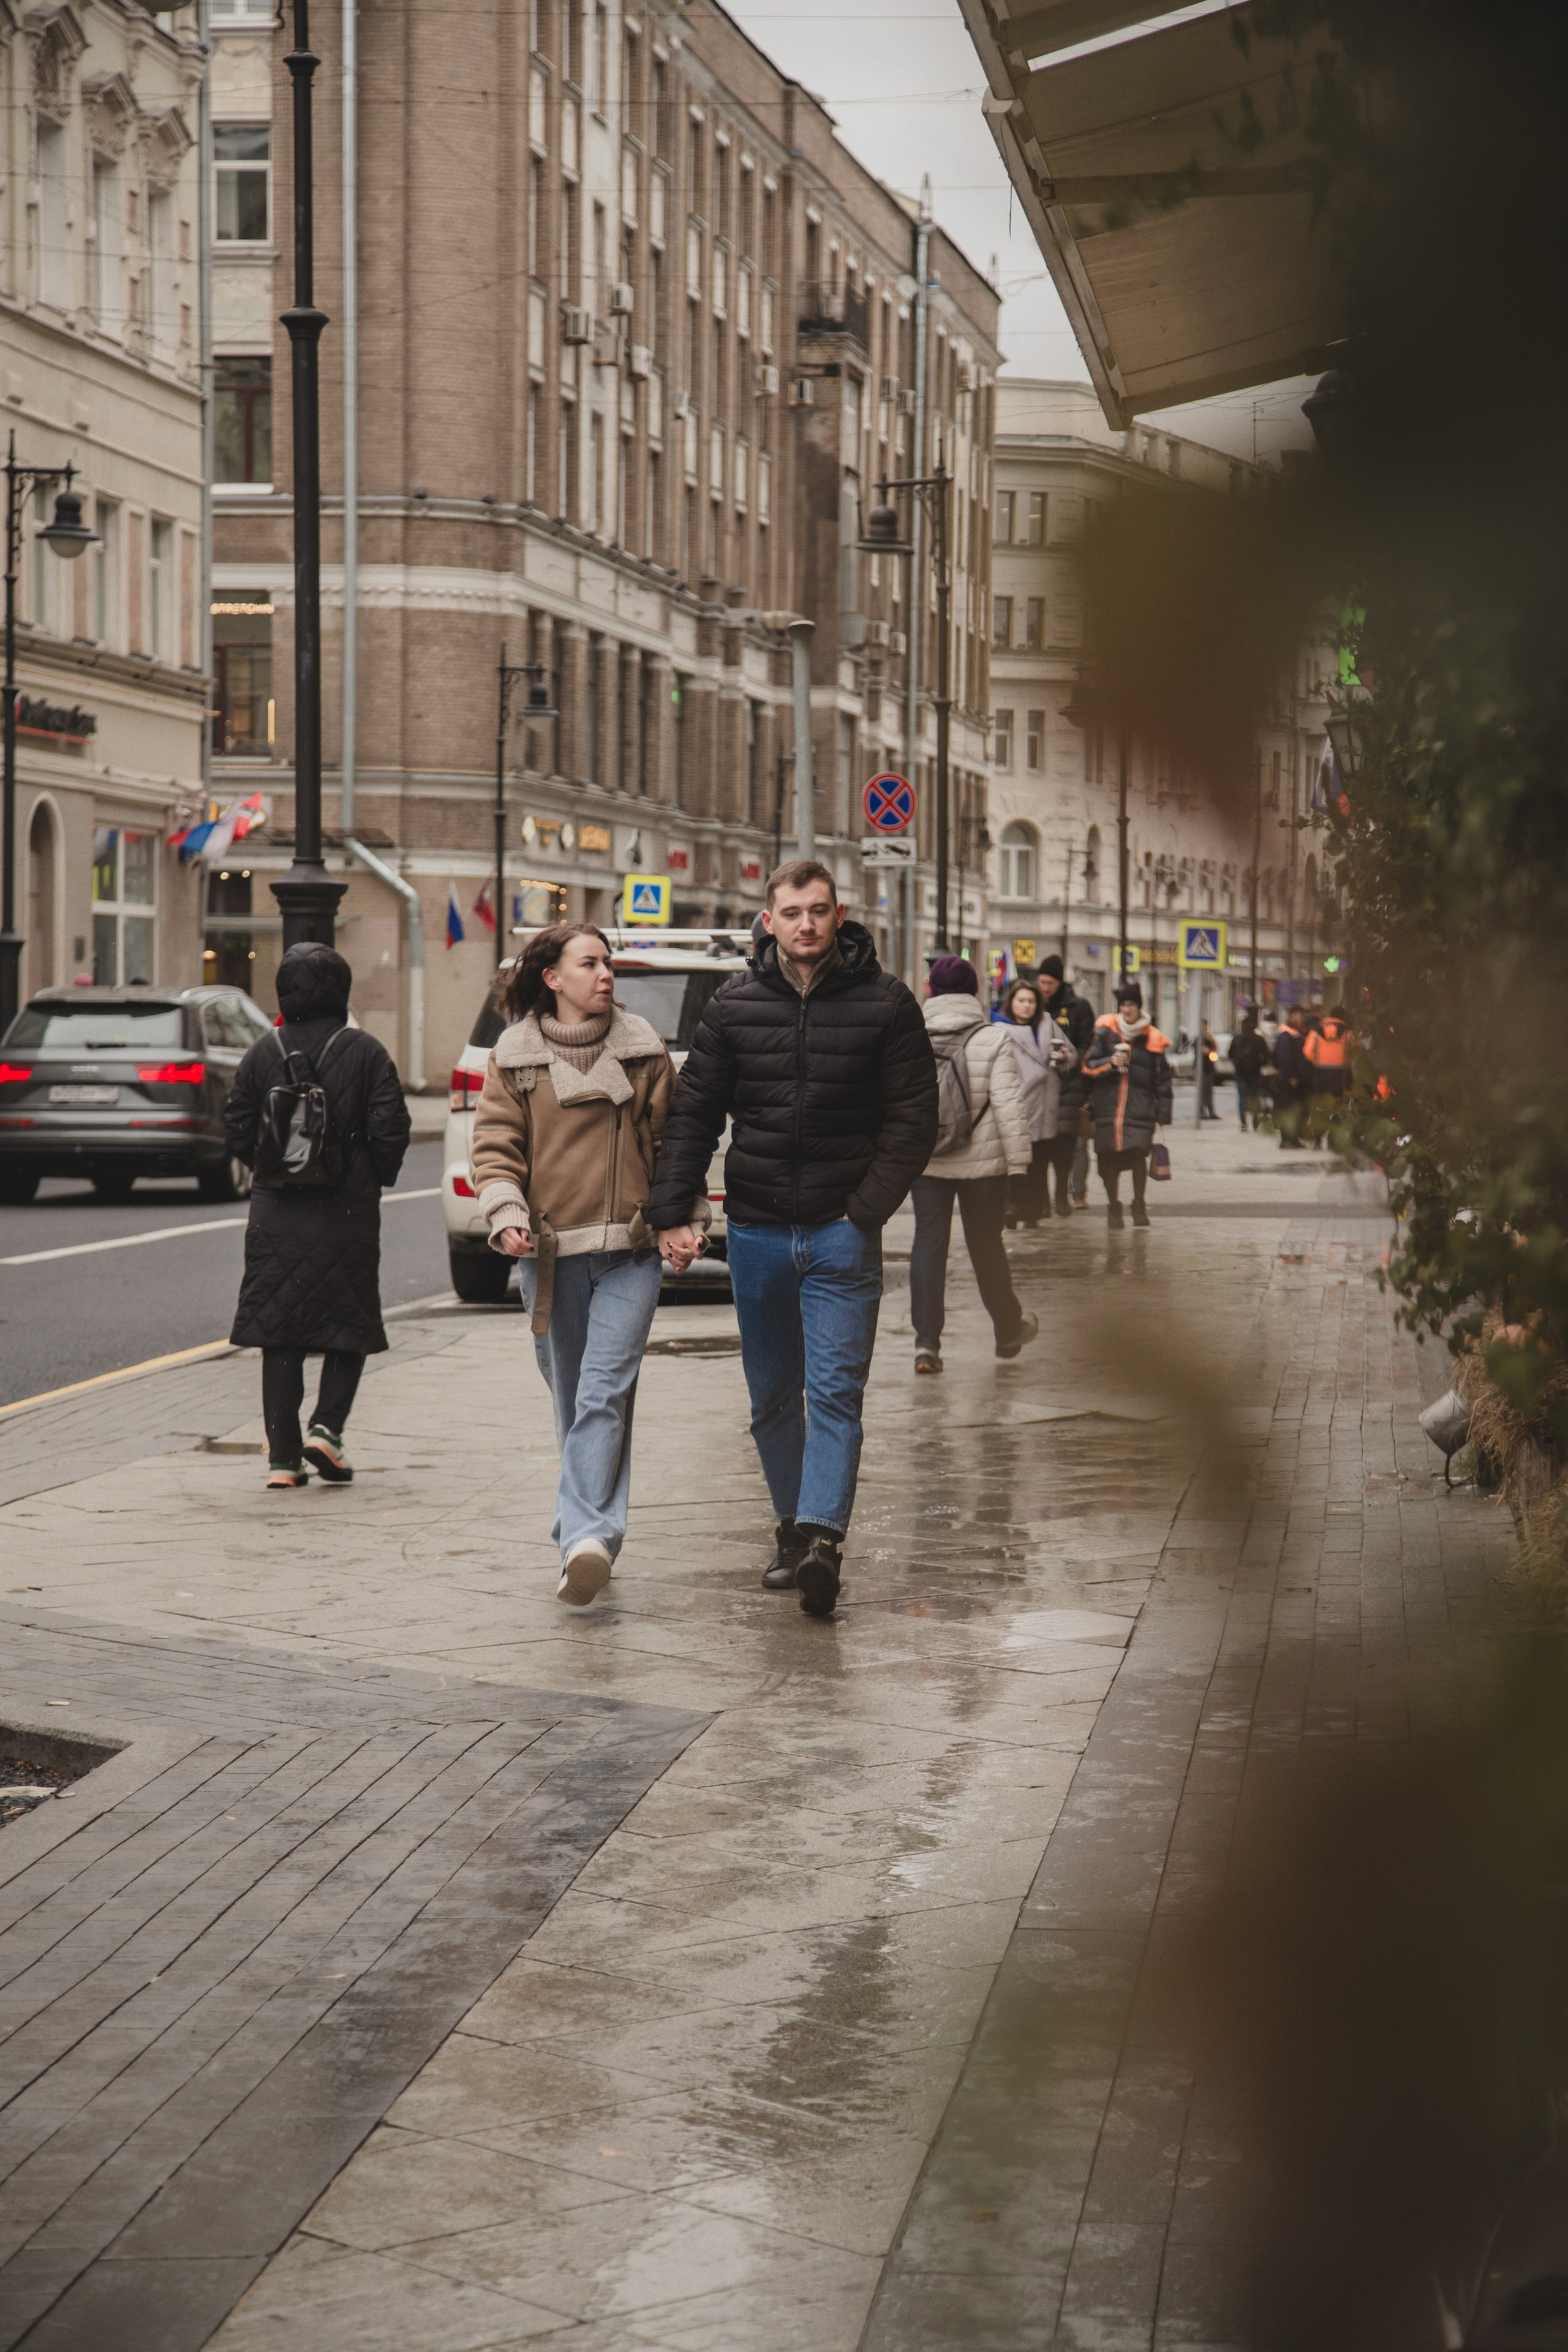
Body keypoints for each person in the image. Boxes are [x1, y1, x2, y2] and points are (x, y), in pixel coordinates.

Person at [647, 859, 937, 1619]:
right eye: (791, 912)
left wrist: (863, 1212)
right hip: (757, 1232)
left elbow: (914, 1121)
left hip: (843, 1235)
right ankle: (790, 1532)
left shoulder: (886, 1004)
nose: (805, 924)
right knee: (773, 1396)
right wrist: (673, 1210)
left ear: (838, 916)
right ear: (768, 920)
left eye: (817, 910)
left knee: (835, 1393)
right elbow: (693, 1117)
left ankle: (822, 1543)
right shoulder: (734, 1007)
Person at [470, 922, 703, 1607]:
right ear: (553, 978)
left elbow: (675, 1147)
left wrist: (684, 1222)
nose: (606, 975)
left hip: (629, 1254)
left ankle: (588, 1539)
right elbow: (494, 1149)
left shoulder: (642, 1050)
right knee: (575, 1401)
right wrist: (506, 1214)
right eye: (590, 964)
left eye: (608, 965)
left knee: (604, 1393)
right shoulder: (513, 1057)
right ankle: (582, 1528)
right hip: (549, 1257)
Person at [226, 940, 411, 1489]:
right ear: (341, 989)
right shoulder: (366, 1051)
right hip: (346, 1209)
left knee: (279, 1329)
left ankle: (283, 1460)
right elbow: (390, 1129)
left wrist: (273, 1169)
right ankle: (326, 1431)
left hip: (276, 1210)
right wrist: (367, 1173)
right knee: (347, 1323)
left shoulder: (263, 1051)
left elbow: (236, 1127)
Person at [910, 957, 1036, 1374]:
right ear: (974, 992)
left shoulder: (910, 1036)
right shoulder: (993, 1038)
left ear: (931, 991)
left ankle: (927, 1344)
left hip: (927, 1161)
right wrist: (1020, 1167)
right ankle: (1007, 1331)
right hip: (984, 1166)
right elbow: (1008, 1107)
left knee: (928, 1246)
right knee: (986, 1245)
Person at [1083, 979, 1173, 1228]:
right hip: (1108, 1110)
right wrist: (1109, 1064)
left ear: (1139, 1007)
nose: (1127, 1010)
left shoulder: (1152, 1039)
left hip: (1140, 1109)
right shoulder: (1104, 1033)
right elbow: (1087, 1066)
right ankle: (1114, 1207)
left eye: (1131, 1004)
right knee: (1107, 1162)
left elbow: (1163, 1079)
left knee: (1136, 1158)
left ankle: (1139, 1206)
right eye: (1123, 1004)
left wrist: (1163, 1112)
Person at [998, 974, 1080, 1227]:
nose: (1026, 1006)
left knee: (1039, 1163)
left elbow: (1073, 1054)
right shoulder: (999, 1029)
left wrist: (1066, 1056)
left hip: (1046, 1105)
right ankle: (1012, 1212)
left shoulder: (1047, 1023)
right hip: (1019, 1103)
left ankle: (1033, 1213)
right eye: (1021, 1001)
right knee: (1015, 1164)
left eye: (1031, 1001)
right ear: (1011, 1002)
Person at [1034, 954, 1095, 1208]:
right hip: (1040, 1082)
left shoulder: (1078, 1007)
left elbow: (1086, 1044)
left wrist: (1071, 1059)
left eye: (1050, 983)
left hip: (1069, 1085)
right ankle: (1042, 1199)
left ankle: (1062, 1195)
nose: (1045, 988)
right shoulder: (1034, 1005)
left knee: (1066, 1144)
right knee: (1040, 1145)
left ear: (1060, 982)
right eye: (1042, 982)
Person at [1272, 1003, 1311, 1147]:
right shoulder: (1286, 1034)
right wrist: (1292, 1076)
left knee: (1296, 1110)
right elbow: (1285, 1057)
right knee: (1289, 1109)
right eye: (1299, 1015)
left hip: (1297, 1078)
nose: (1302, 1018)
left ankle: (1293, 1139)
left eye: (1303, 1015)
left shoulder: (1296, 1032)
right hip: (1291, 1080)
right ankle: (1287, 1140)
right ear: (1292, 1016)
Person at [1229, 1010, 1272, 1132]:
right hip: (1255, 1073)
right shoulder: (1259, 1039)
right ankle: (1255, 1119)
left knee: (1242, 1097)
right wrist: (1260, 1064)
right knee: (1254, 1096)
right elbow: (1267, 1056)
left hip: (1240, 1073)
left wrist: (1237, 1065)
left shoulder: (1237, 1039)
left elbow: (1230, 1054)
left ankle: (1243, 1123)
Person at [1199, 1019, 1221, 1119]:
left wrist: (1212, 1041)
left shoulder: (1209, 1039)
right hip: (1201, 1069)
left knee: (1209, 1092)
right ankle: (1202, 1112)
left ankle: (1211, 1112)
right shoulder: (1199, 1039)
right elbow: (1203, 1051)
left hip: (1209, 1068)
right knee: (1202, 1091)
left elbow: (1214, 1051)